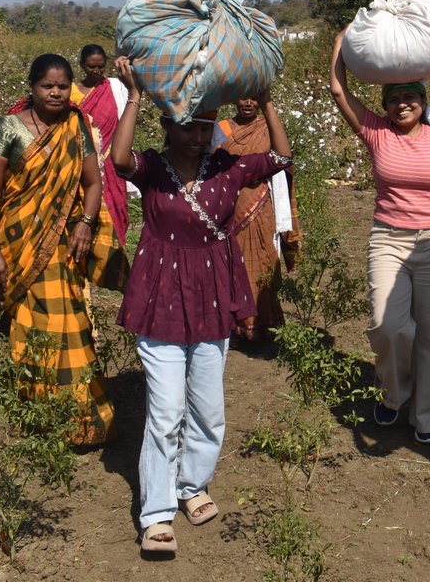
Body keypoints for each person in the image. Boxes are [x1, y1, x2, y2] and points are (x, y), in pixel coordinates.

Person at [109, 58, 294, 553]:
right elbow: (118, 159)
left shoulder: (229, 167)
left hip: (212, 297)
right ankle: (156, 512)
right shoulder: (152, 168)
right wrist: (134, 97)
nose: (196, 136)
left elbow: (281, 158)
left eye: (204, 127)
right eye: (187, 126)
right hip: (160, 298)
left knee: (208, 410)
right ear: (168, 126)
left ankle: (194, 486)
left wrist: (269, 101)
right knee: (166, 411)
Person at [329, 28, 430, 446]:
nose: (402, 104)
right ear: (384, 106)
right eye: (394, 99)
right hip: (389, 239)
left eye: (410, 97)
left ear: (422, 102)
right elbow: (338, 90)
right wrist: (341, 43)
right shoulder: (375, 132)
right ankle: (394, 393)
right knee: (388, 326)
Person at [0, 54, 127, 446]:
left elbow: (93, 184)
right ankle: (38, 418)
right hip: (19, 244)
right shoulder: (7, 128)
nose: (56, 92)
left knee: (71, 323)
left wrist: (85, 222)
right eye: (48, 85)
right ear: (31, 86)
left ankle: (80, 421)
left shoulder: (75, 126)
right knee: (29, 329)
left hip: (63, 246)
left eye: (63, 86)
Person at [212, 97, 302, 341]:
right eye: (243, 97)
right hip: (229, 203)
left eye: (254, 97)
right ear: (234, 98)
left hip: (262, 202)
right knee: (233, 262)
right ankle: (236, 325)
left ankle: (265, 323)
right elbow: (208, 162)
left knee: (264, 259)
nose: (248, 103)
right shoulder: (223, 128)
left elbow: (284, 159)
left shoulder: (268, 126)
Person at [71, 44, 132, 244]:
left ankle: (113, 254)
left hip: (109, 164)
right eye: (91, 67)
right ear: (81, 65)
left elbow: (135, 86)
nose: (96, 71)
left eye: (100, 67)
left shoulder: (114, 88)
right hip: (79, 164)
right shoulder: (71, 92)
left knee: (113, 211)